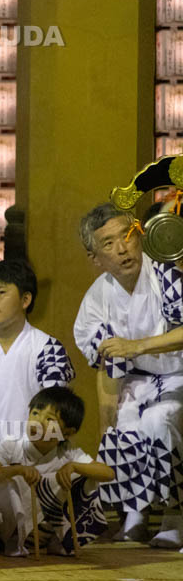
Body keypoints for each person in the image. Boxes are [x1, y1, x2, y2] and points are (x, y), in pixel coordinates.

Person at [74, 201, 183, 547]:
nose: (122, 249)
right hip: (137, 382)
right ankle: (134, 515)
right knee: (125, 425)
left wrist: (137, 346)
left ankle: (174, 516)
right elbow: (109, 368)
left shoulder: (166, 274)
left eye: (127, 236)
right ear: (95, 259)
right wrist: (106, 424)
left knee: (161, 419)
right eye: (108, 243)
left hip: (179, 373)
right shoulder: (96, 301)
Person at [0, 260, 75, 442]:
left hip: (32, 455)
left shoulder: (48, 348)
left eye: (0, 292)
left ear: (25, 300)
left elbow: (54, 411)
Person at [0, 387, 113, 557]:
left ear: (67, 433)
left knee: (85, 477)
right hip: (8, 528)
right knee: (6, 479)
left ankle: (62, 540)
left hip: (46, 528)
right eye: (35, 413)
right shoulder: (11, 446)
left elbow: (108, 473)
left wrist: (74, 466)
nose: (38, 422)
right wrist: (18, 469)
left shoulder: (68, 452)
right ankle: (14, 539)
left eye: (49, 419)